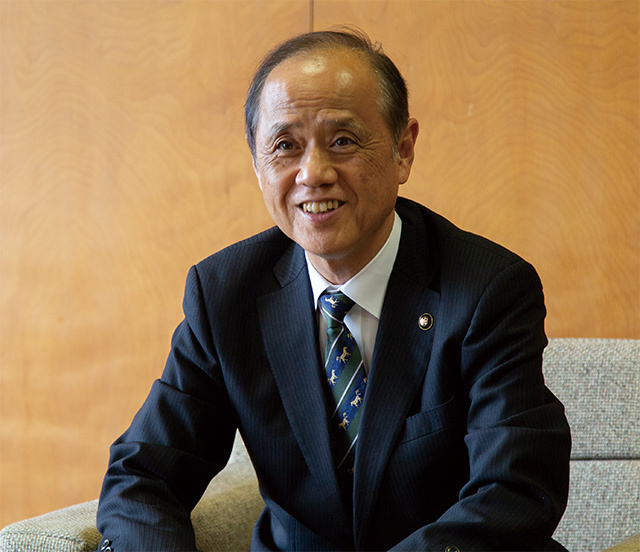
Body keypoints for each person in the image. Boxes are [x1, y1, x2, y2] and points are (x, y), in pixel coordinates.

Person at [96, 29, 571, 551]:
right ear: (257, 165)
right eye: (285, 146)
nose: (313, 174)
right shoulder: (225, 295)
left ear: (403, 150)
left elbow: (515, 490)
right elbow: (143, 478)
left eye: (343, 141)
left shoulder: (487, 290)